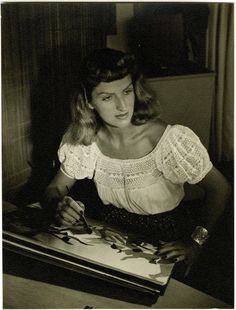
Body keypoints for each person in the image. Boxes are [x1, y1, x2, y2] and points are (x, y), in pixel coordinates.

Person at [42, 48, 231, 269]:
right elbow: (54, 189)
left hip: (167, 235)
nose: (122, 106)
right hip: (109, 231)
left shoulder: (169, 140)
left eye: (126, 92)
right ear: (89, 102)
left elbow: (221, 188)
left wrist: (195, 242)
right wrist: (58, 205)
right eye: (107, 97)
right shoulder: (84, 139)